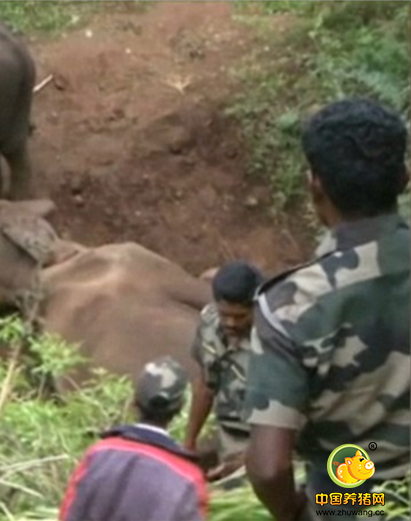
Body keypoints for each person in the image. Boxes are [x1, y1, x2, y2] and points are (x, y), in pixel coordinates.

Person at [242, 98, 410, 521]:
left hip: (355, 501)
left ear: (315, 184)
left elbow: (268, 468)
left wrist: (298, 512)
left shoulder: (291, 305)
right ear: (404, 178)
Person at [59, 356, 208, 521]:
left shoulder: (98, 454)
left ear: (134, 401)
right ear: (180, 409)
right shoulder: (188, 478)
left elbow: (69, 513)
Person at [184, 261, 264, 481]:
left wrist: (248, 461)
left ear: (256, 306)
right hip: (228, 437)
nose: (230, 323)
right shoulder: (209, 323)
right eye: (224, 314)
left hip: (270, 442)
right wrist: (189, 441)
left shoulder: (276, 342)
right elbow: (205, 384)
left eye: (240, 317)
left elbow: (295, 416)